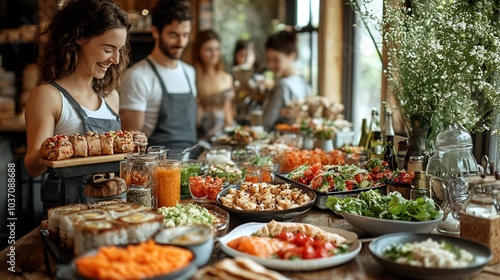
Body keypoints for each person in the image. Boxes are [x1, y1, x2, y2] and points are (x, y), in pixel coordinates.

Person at [23, 0, 131, 211]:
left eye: (119, 50)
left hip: (113, 210)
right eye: (108, 49)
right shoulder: (48, 96)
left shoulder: (111, 98)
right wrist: (54, 147)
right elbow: (31, 168)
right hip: (68, 213)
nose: (116, 60)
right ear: (78, 38)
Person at [119, 0, 197, 159]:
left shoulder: (190, 72)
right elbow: (131, 143)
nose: (181, 43)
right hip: (157, 167)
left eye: (185, 35)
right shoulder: (137, 76)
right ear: (155, 31)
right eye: (173, 35)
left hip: (192, 165)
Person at [262, 29, 311, 131]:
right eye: (268, 60)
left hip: (281, 142)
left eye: (276, 60)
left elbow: (266, 123)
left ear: (291, 55)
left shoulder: (283, 85)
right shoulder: (302, 81)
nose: (270, 65)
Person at [193, 29, 235, 140]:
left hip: (222, 135)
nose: (214, 54)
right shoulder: (193, 77)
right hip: (200, 135)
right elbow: (194, 117)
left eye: (217, 49)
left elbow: (228, 111)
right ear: (198, 51)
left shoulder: (226, 78)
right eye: (208, 50)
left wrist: (231, 130)